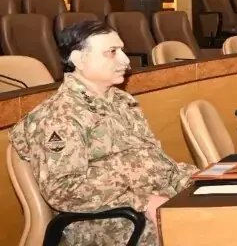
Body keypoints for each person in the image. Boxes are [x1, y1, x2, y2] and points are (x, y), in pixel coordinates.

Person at [9, 21, 198, 246]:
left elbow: (154, 162)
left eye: (122, 50)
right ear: (79, 59)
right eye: (112, 52)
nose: (125, 60)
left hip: (149, 203)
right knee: (201, 231)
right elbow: (63, 190)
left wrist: (200, 180)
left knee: (223, 210)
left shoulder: (122, 102)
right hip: (105, 222)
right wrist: (144, 201)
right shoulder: (60, 116)